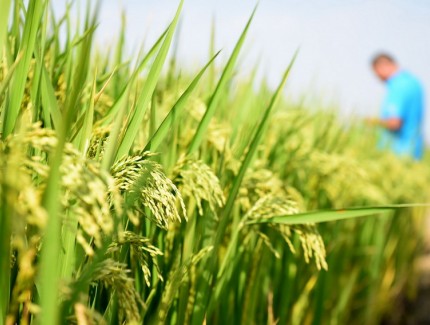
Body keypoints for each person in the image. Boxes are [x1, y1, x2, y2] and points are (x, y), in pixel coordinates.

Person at [369, 53, 425, 160]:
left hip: (397, 153)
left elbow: (394, 123)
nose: (378, 78)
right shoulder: (413, 83)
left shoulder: (398, 86)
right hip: (414, 151)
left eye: (376, 73)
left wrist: (373, 122)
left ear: (382, 67)